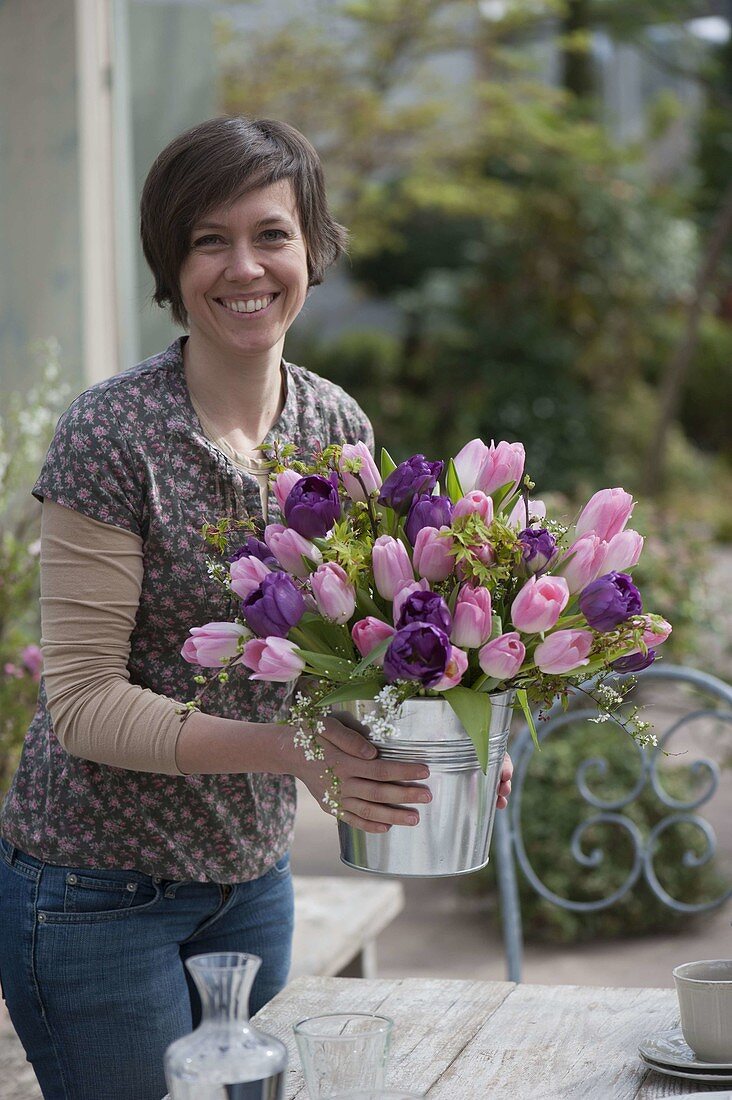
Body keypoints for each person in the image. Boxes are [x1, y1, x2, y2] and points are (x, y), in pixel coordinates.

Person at [0, 117, 513, 1100]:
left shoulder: (336, 424)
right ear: (171, 262)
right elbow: (85, 703)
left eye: (272, 234)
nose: (245, 266)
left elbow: (367, 644)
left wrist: (449, 741)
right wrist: (297, 753)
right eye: (208, 238)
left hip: (249, 878)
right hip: (94, 893)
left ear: (312, 250)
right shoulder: (113, 435)